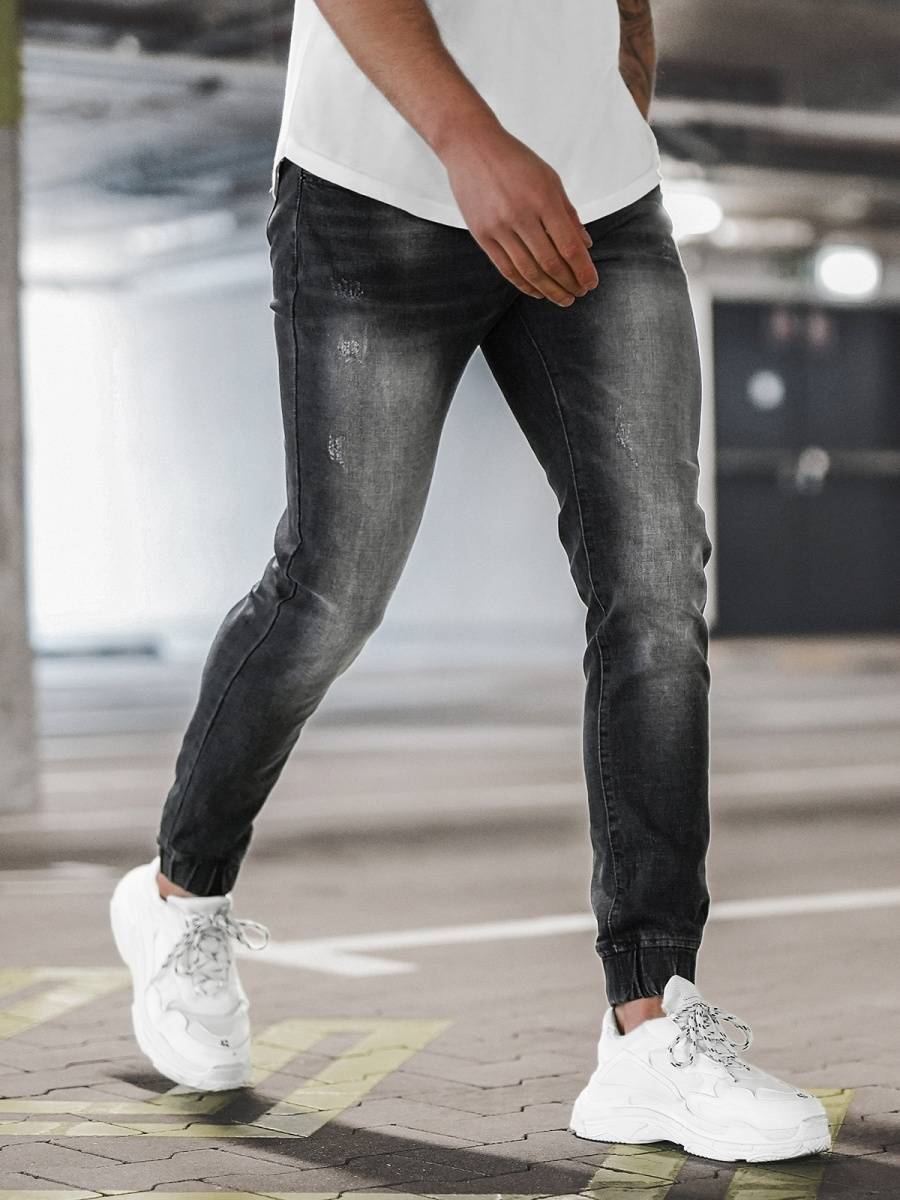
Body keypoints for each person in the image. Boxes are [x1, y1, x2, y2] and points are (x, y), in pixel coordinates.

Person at [110, 0, 831, 1164]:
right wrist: (471, 138)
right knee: (334, 586)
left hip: (596, 202)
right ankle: (178, 895)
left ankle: (650, 1022)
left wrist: (611, 99)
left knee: (657, 585)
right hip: (376, 190)